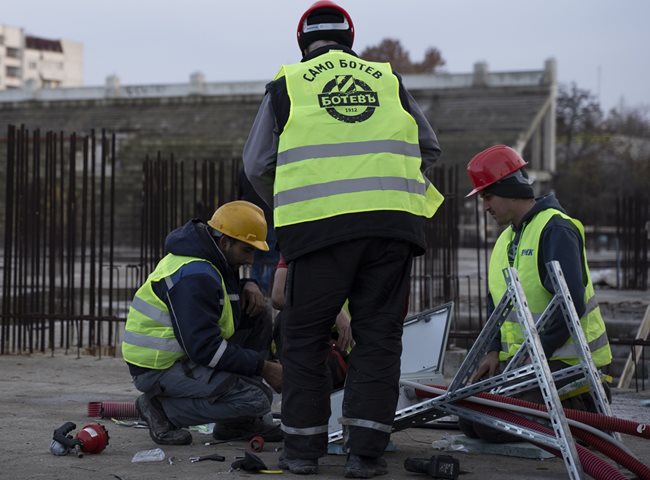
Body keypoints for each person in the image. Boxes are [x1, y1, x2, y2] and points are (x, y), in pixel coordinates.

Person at [243, 1, 444, 476]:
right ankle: (365, 455)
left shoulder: (288, 84)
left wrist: (296, 204)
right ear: (350, 39)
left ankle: (301, 453)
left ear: (302, 42)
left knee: (303, 336)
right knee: (378, 338)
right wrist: (387, 189)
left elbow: (255, 166)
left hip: (319, 233)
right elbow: (428, 147)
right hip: (392, 231)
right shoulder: (387, 80)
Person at [461, 144, 612, 442]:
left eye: (487, 196)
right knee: (469, 419)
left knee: (488, 425)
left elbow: (569, 306)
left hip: (570, 368)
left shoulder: (555, 229)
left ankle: (582, 411)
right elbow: (496, 304)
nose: (485, 207)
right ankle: (554, 411)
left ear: (507, 188)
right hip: (526, 363)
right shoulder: (506, 238)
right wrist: (493, 351)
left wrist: (529, 358)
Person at [122, 200, 283, 446]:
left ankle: (237, 423)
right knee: (257, 399)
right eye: (246, 250)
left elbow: (215, 301)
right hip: (159, 367)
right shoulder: (195, 274)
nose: (250, 260)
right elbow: (205, 348)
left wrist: (248, 285)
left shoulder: (210, 258)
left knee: (258, 312)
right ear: (225, 242)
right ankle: (160, 410)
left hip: (184, 353)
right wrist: (263, 368)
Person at [271, 254, 353, 390]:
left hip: (357, 346)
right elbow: (278, 296)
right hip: (328, 341)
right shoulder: (302, 243)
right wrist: (333, 309)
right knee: (285, 319)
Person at [238, 166, 280, 295]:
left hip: (252, 218)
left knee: (254, 257)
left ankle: (258, 289)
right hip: (270, 217)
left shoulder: (245, 170)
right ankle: (266, 290)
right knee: (270, 259)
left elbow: (240, 193)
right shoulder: (274, 171)